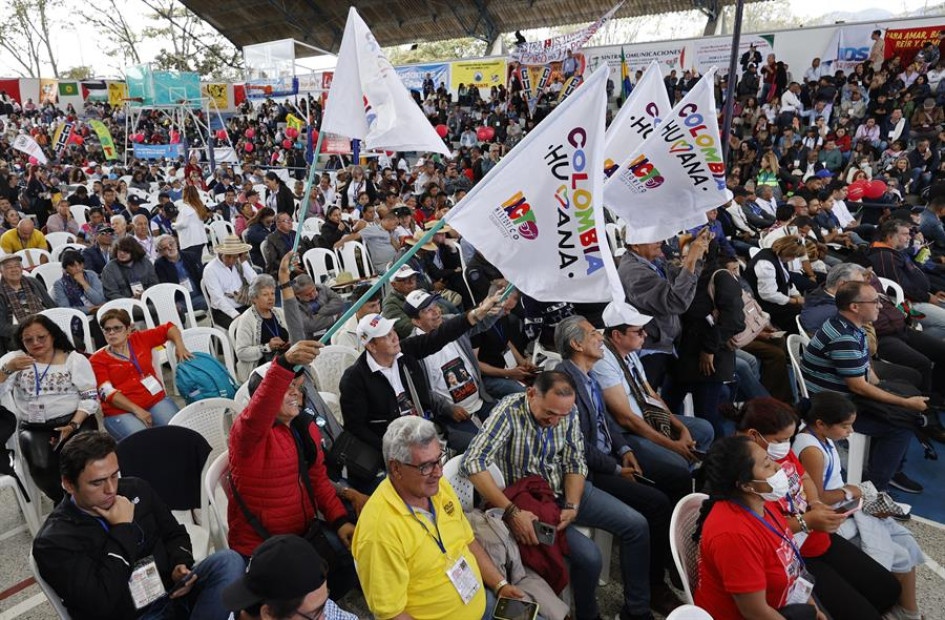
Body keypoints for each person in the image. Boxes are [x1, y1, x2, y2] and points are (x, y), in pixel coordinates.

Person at [464, 370, 661, 620]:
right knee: (590, 558)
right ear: (531, 394)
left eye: (562, 415)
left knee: (636, 525)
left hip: (565, 491)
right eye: (549, 413)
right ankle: (589, 615)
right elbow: (472, 463)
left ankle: (637, 610)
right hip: (531, 503)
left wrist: (572, 503)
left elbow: (575, 461)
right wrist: (511, 511)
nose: (555, 421)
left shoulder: (567, 410)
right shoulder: (509, 411)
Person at [32, 431, 245, 620]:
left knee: (229, 560)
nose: (111, 489)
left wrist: (180, 564)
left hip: (172, 593)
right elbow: (100, 604)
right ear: (68, 484)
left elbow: (175, 535)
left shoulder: (135, 489)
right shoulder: (54, 541)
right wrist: (122, 528)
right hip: (132, 614)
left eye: (114, 475)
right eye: (97, 482)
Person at [553, 316, 682, 616]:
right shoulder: (564, 382)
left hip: (609, 456)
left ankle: (664, 562)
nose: (600, 337)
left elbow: (605, 417)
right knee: (655, 505)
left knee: (669, 482)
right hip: (588, 472)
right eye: (592, 333)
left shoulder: (587, 372)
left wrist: (623, 448)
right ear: (576, 344)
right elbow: (579, 447)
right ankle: (645, 597)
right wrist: (615, 468)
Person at [735, 397, 902, 620]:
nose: (784, 449)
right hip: (794, 554)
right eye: (782, 439)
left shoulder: (773, 450)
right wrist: (807, 521)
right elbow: (761, 530)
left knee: (887, 588)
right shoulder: (742, 474)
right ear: (754, 435)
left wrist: (814, 504)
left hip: (815, 535)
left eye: (788, 438)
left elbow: (803, 475)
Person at [354, 416, 530, 620]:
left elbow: (467, 540)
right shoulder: (379, 532)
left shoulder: (436, 487)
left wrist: (500, 585)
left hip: (484, 602)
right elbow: (393, 614)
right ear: (395, 468)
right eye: (426, 466)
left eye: (439, 459)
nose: (438, 472)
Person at [227, 341, 358, 597]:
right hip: (263, 544)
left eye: (298, 387)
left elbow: (318, 479)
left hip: (305, 532)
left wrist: (340, 520)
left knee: (354, 561)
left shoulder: (303, 427)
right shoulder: (247, 436)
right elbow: (259, 411)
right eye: (287, 388)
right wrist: (284, 364)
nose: (296, 393)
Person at [339, 293, 500, 489]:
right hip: (394, 449)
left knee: (479, 445)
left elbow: (441, 335)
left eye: (392, 331)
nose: (394, 337)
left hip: (429, 428)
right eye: (386, 336)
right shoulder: (355, 379)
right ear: (371, 345)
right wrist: (394, 449)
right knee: (428, 483)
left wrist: (476, 313)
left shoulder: (405, 354)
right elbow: (356, 428)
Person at [795, 392, 924, 620]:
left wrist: (853, 493)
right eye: (845, 426)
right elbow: (816, 498)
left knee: (908, 543)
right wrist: (848, 491)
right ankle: (903, 613)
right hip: (836, 515)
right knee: (901, 557)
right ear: (821, 424)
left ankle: (906, 610)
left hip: (847, 503)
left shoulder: (824, 439)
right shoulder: (811, 450)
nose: (850, 432)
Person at [801, 281, 921, 492]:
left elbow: (865, 369)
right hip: (832, 406)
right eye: (875, 301)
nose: (880, 306)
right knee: (902, 423)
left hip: (839, 395)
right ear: (855, 307)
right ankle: (875, 490)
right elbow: (858, 387)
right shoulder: (844, 336)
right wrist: (904, 402)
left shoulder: (849, 326)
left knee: (902, 400)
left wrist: (887, 389)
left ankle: (884, 471)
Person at [693, 436, 827, 620]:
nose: (778, 467)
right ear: (746, 485)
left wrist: (812, 607)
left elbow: (791, 563)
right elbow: (755, 613)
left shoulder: (762, 502)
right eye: (766, 465)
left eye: (770, 459)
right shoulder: (733, 536)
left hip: (781, 603)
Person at [592, 300, 714, 502]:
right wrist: (672, 445)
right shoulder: (603, 361)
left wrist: (681, 429)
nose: (645, 335)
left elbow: (652, 395)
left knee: (704, 429)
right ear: (617, 335)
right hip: (629, 433)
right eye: (638, 331)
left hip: (647, 415)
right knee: (678, 463)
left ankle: (682, 481)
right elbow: (626, 419)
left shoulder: (629, 354)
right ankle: (677, 494)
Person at [0, 315, 98, 502]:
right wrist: (7, 370)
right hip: (34, 427)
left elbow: (90, 396)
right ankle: (66, 504)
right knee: (42, 468)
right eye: (28, 340)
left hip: (75, 421)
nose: (35, 343)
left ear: (53, 335)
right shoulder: (15, 360)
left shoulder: (73, 359)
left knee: (85, 463)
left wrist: (73, 425)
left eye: (41, 337)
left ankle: (90, 501)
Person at [618, 228, 710, 390]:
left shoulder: (651, 261)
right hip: (650, 350)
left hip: (665, 343)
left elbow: (681, 278)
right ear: (635, 245)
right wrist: (692, 258)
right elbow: (676, 302)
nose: (660, 240)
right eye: (652, 237)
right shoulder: (635, 273)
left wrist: (697, 254)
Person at [408, 289, 495, 451]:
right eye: (428, 310)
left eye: (436, 305)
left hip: (480, 399)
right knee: (480, 448)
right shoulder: (413, 349)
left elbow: (481, 323)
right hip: (451, 415)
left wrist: (496, 310)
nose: (437, 311)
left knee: (511, 423)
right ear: (416, 321)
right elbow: (422, 392)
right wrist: (448, 409)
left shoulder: (452, 322)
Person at [90, 309, 192, 440]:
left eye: (117, 328)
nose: (111, 333)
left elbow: (169, 328)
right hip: (121, 411)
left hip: (154, 399)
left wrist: (180, 346)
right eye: (107, 329)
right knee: (144, 442)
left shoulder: (139, 339)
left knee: (180, 431)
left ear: (128, 330)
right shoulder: (97, 360)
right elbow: (107, 393)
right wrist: (137, 410)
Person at [223, 535, 357, 620]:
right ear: (269, 614)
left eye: (324, 604)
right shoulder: (304, 602)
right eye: (315, 614)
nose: (325, 617)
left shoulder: (309, 602)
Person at [867, 219, 945, 339]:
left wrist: (932, 292)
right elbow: (901, 287)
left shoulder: (894, 252)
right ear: (890, 236)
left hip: (919, 297)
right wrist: (928, 297)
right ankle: (913, 341)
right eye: (904, 234)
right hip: (906, 303)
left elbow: (913, 276)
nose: (909, 237)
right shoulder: (884, 255)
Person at [745, 236, 809, 332]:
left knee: (806, 305)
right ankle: (792, 333)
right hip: (764, 302)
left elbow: (787, 280)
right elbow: (768, 295)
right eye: (793, 256)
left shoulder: (780, 257)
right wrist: (795, 301)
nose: (793, 259)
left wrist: (797, 295)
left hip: (778, 295)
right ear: (785, 252)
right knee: (799, 312)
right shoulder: (765, 264)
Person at [233, 275, 289, 383]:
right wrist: (267, 347)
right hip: (260, 371)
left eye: (272, 293)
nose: (271, 298)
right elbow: (241, 352)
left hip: (282, 362)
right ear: (254, 298)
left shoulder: (279, 312)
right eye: (265, 294)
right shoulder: (246, 320)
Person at [0, 254, 56, 352]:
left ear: (21, 268)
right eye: (9, 267)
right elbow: (2, 326)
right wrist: (27, 329)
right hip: (19, 335)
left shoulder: (33, 282)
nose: (14, 270)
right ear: (1, 271)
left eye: (17, 266)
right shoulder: (1, 292)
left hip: (46, 326)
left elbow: (51, 306)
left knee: (73, 342)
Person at [204, 236, 258, 329]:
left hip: (244, 304)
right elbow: (218, 299)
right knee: (244, 329)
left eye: (235, 257)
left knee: (265, 322)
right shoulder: (210, 269)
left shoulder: (239, 263)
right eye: (228, 256)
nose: (231, 260)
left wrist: (244, 262)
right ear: (221, 253)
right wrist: (236, 315)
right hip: (223, 311)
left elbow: (256, 282)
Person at [153, 235, 207, 312]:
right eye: (165, 248)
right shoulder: (159, 264)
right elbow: (164, 286)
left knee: (210, 302)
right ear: (161, 252)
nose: (170, 248)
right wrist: (173, 302)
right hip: (180, 301)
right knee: (173, 311)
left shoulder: (190, 256)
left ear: (176, 244)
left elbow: (202, 276)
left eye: (171, 244)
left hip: (198, 297)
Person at [101, 236, 160, 301]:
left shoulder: (145, 263)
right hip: (124, 305)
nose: (122, 253)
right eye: (119, 250)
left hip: (148, 299)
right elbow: (111, 293)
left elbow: (154, 284)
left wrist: (145, 295)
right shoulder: (109, 268)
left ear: (134, 251)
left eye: (126, 251)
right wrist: (129, 301)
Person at [289, 273, 346, 339]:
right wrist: (333, 316)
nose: (313, 296)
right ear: (297, 295)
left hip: (336, 331)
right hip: (310, 341)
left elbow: (340, 303)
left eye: (314, 290)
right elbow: (309, 325)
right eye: (308, 295)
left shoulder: (322, 288)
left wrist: (322, 312)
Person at [330, 282, 380, 351]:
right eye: (372, 306)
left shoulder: (380, 322)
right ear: (357, 308)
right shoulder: (346, 336)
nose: (378, 310)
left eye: (378, 303)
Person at [173, 185, 210, 270]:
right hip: (200, 240)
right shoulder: (199, 206)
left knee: (194, 267)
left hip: (190, 242)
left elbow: (183, 224)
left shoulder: (186, 208)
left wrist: (174, 225)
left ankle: (200, 281)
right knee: (198, 263)